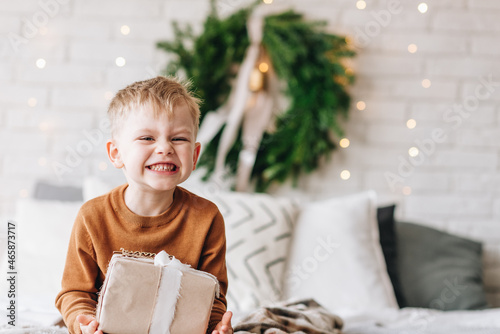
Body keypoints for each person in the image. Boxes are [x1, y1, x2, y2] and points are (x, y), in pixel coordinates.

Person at [55, 76, 233, 334]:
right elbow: (75, 292)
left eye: (179, 139)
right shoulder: (92, 216)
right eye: (147, 138)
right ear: (116, 153)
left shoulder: (207, 218)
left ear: (194, 156)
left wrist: (217, 327)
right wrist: (83, 321)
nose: (164, 148)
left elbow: (213, 297)